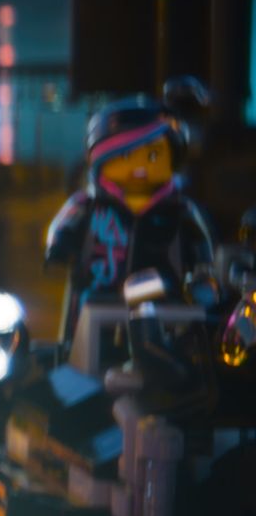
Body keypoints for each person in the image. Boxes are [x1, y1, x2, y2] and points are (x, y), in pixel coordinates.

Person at [46, 98, 214, 342]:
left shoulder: (180, 209)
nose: (140, 168)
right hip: (95, 306)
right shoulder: (87, 205)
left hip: (166, 313)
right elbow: (63, 228)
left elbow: (201, 246)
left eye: (153, 155)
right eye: (125, 156)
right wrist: (58, 247)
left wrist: (203, 273)